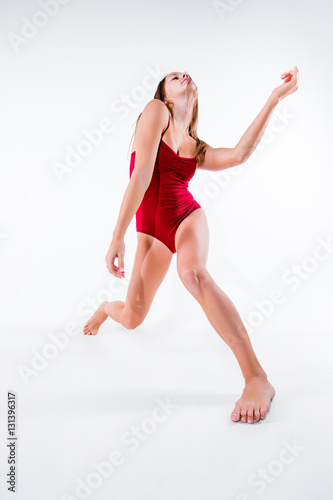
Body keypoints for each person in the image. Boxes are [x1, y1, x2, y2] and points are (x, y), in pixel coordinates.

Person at [83, 66, 299, 424]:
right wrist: (117, 235)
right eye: (173, 76)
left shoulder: (196, 147)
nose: (183, 74)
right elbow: (140, 177)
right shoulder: (156, 112)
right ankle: (106, 308)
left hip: (185, 217)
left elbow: (239, 154)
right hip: (149, 232)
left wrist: (274, 98)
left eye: (185, 74)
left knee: (192, 273)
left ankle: (256, 378)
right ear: (165, 94)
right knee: (133, 318)